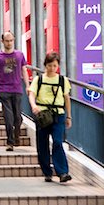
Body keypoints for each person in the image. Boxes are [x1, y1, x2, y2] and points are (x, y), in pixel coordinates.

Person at [28, 52, 72, 183]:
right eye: (49, 65)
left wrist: (69, 116)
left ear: (58, 66)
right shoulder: (39, 79)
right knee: (42, 144)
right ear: (45, 65)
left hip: (58, 114)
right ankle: (47, 172)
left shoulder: (63, 80)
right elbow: (31, 94)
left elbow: (67, 98)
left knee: (58, 141)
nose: (52, 68)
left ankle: (62, 172)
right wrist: (33, 105)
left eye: (54, 65)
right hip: (42, 114)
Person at [0, 32, 30, 151]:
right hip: (4, 90)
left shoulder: (19, 55)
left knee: (17, 117)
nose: (9, 43)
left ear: (14, 40)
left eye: (11, 40)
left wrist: (28, 86)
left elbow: (24, 70)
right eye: (7, 41)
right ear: (2, 41)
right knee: (8, 117)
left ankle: (17, 134)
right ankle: (10, 142)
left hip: (17, 89)